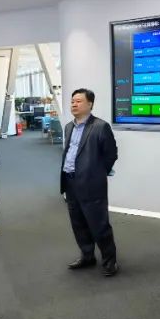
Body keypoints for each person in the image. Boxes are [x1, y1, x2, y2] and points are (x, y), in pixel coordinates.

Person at [60, 88, 119, 277]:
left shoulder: (100, 126)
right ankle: (87, 256)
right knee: (78, 223)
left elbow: (111, 154)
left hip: (91, 183)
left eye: (78, 101)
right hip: (70, 181)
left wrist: (97, 173)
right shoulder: (68, 127)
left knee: (99, 224)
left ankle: (110, 260)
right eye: (72, 101)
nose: (74, 104)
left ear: (90, 104)